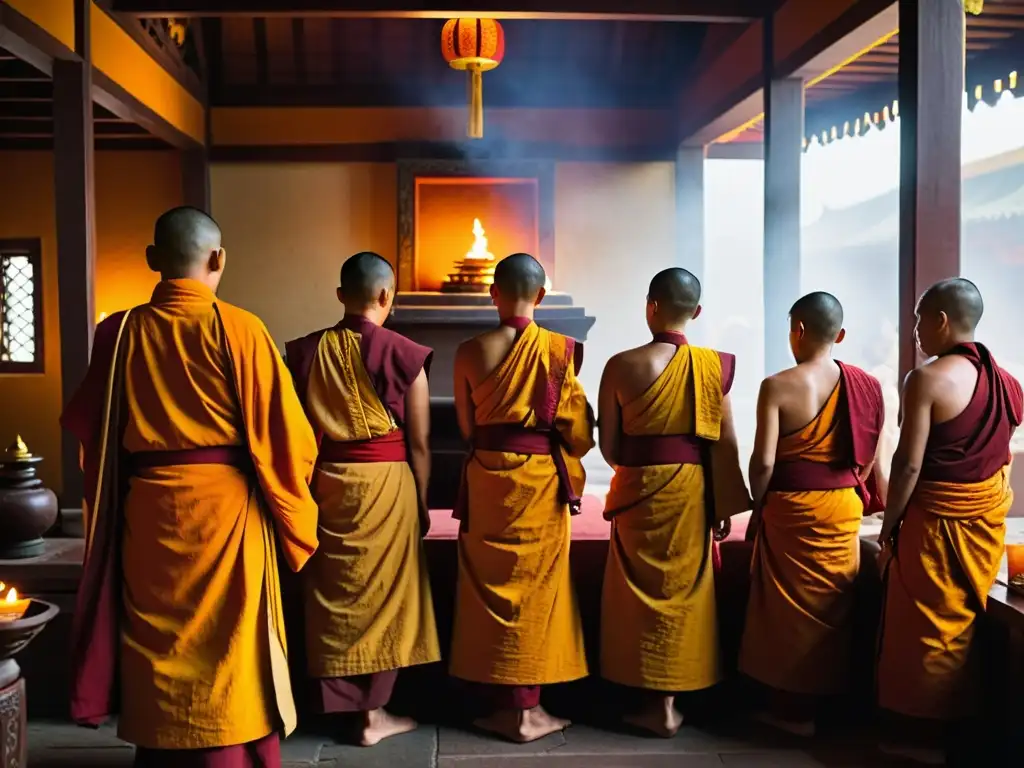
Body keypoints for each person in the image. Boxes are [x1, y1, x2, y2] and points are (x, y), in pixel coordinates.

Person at [62, 207, 319, 768]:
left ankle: (163, 750)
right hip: (228, 510)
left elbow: (87, 424)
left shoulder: (119, 331)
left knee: (158, 639)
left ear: (153, 261)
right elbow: (290, 439)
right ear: (218, 259)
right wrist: (294, 509)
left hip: (148, 508)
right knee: (230, 646)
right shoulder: (243, 329)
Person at [285, 252, 439, 747]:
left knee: (336, 596)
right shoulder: (404, 353)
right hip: (388, 483)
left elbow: (298, 434)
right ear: (386, 296)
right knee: (385, 597)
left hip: (327, 482)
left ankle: (346, 710)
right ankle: (375, 714)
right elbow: (419, 443)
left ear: (339, 295)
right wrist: (421, 501)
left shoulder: (306, 352)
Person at [597, 267, 750, 737]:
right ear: (697, 312)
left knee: (637, 596)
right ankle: (673, 702)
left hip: (639, 486)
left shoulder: (621, 364)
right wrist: (723, 503)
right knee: (684, 592)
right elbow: (725, 442)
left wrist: (641, 466)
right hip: (690, 489)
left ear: (650, 305)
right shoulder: (711, 366)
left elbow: (611, 447)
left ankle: (649, 702)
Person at [449, 253, 594, 743]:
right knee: (537, 591)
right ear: (540, 296)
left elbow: (468, 427)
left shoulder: (469, 351)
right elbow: (577, 430)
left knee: (490, 586)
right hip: (540, 483)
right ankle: (529, 711)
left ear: (492, 294)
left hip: (489, 480)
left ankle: (503, 707)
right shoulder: (558, 350)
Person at [876, 278, 1022, 763]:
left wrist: (890, 525)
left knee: (927, 629)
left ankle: (922, 739)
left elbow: (908, 464)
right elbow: (1000, 459)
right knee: (961, 626)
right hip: (981, 524)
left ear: (940, 320)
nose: (916, 331)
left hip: (934, 523)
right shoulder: (1007, 382)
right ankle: (963, 731)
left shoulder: (927, 379)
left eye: (919, 319)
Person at [739, 291, 885, 736]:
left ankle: (790, 710)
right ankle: (826, 707)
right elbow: (876, 461)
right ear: (839, 335)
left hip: (791, 508)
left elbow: (763, 462)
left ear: (796, 331)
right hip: (842, 508)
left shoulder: (778, 385)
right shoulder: (870, 387)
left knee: (786, 613)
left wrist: (760, 504)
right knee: (833, 604)